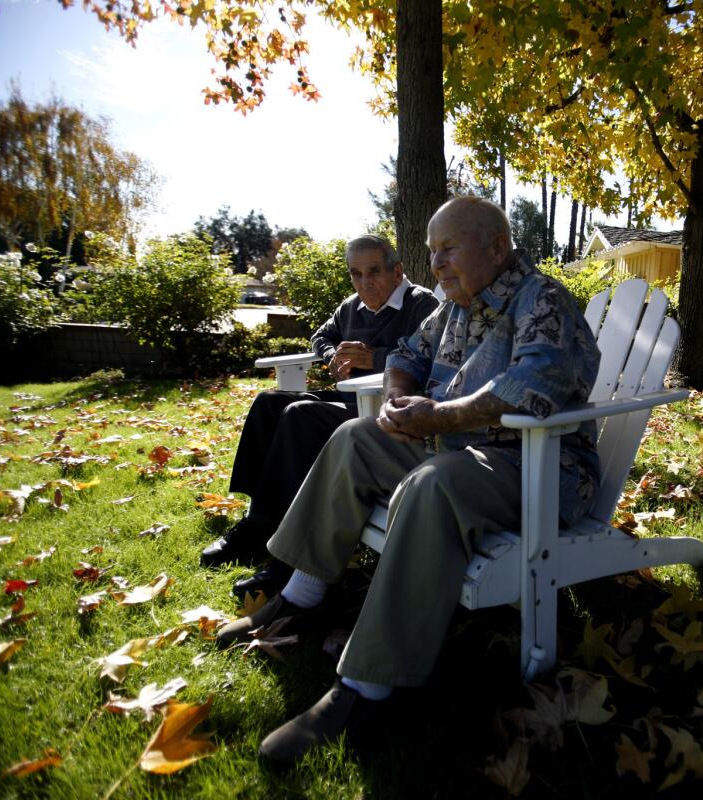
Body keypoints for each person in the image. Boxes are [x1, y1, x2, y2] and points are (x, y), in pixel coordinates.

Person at [215, 196, 601, 764]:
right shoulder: (453, 307)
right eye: (431, 252)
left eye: (449, 248)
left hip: (537, 465)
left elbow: (531, 386)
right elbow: (405, 352)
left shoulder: (541, 300)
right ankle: (303, 595)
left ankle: (369, 687)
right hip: (456, 447)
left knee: (432, 482)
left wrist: (439, 418)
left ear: (497, 247)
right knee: (355, 437)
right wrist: (397, 400)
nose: (438, 263)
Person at [200, 234, 439, 601]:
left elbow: (428, 357)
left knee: (301, 414)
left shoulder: (420, 304)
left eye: (374, 271)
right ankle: (255, 523)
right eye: (356, 274)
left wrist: (373, 358)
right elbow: (320, 336)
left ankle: (280, 547)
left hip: (381, 412)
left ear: (397, 271)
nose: (365, 283)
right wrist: (331, 355)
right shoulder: (351, 307)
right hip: (349, 400)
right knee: (270, 402)